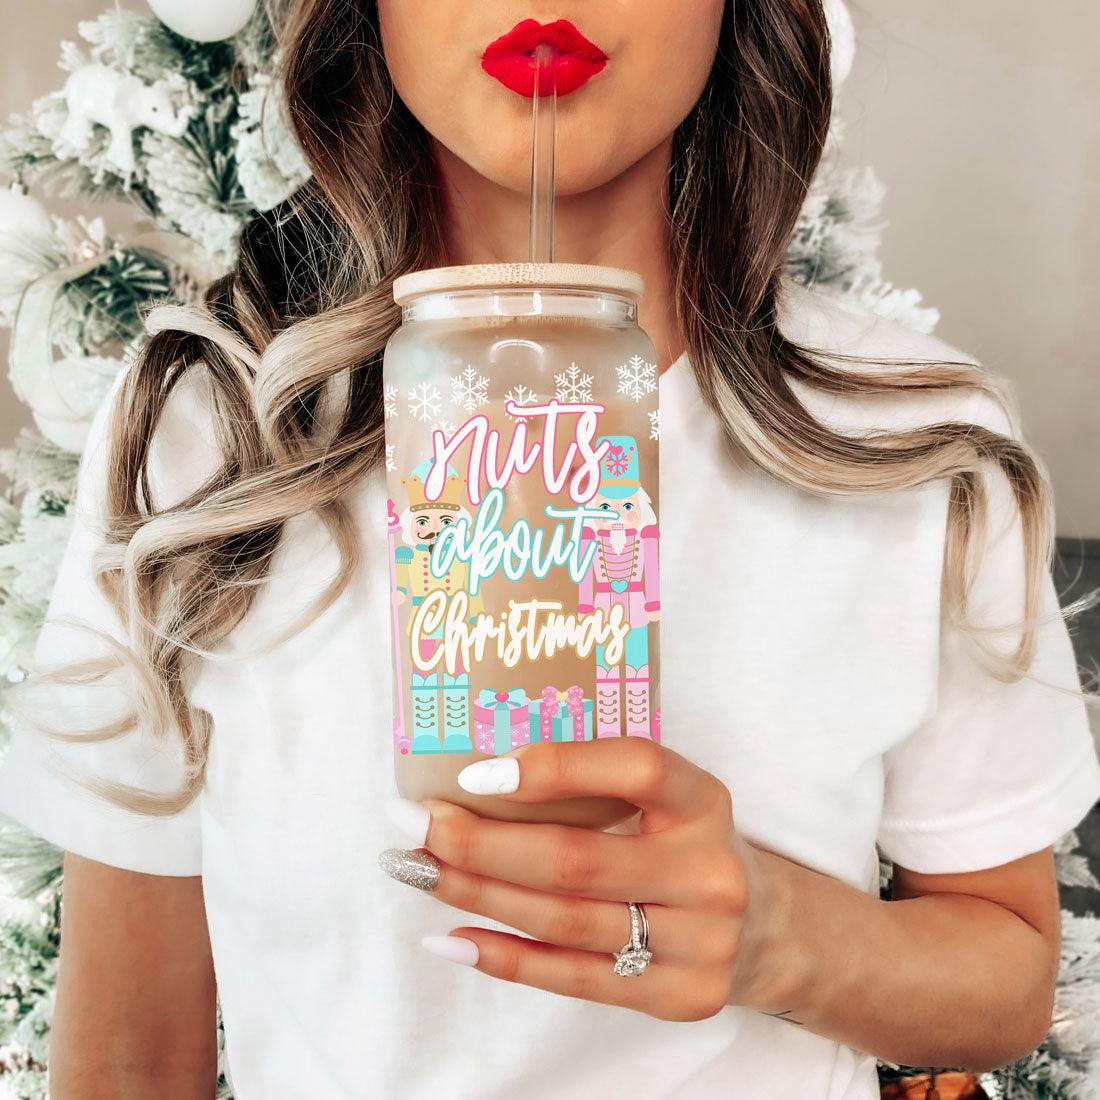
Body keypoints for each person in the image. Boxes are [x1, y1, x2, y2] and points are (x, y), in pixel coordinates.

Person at [0, 2, 1097, 1097]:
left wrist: (776, 936)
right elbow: (131, 1053)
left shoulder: (912, 442)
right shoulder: (211, 434)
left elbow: (1005, 981)